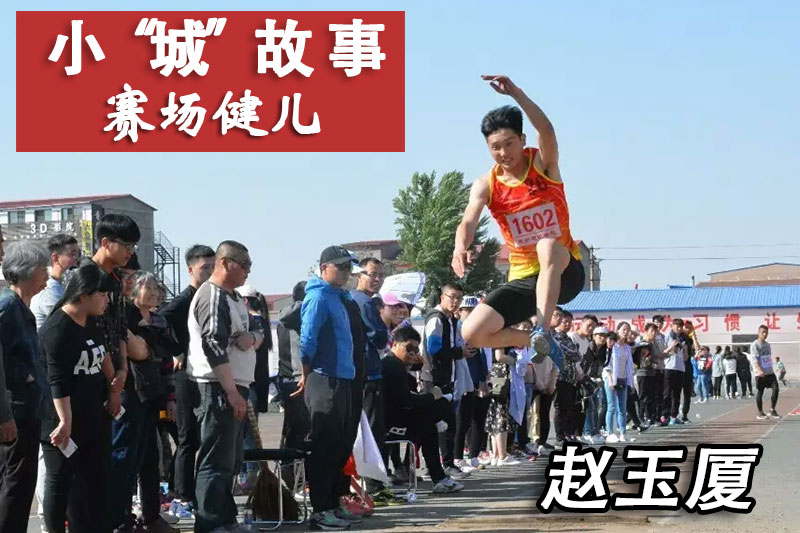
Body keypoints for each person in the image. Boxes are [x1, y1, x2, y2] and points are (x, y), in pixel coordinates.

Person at [453, 75, 585, 365]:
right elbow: (468, 222)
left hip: (565, 272)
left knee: (546, 245)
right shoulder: (486, 184)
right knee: (472, 332)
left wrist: (516, 94)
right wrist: (459, 247)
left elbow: (546, 129)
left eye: (509, 144)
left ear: (523, 140)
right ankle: (541, 341)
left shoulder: (543, 164)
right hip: (525, 278)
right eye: (495, 147)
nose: (503, 153)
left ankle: (541, 327)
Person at [186, 241, 265, 533]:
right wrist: (231, 391)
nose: (248, 270)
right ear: (225, 263)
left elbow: (257, 331)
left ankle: (225, 517)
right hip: (217, 387)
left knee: (231, 460)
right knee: (215, 459)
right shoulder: (212, 294)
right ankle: (209, 523)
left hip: (235, 386)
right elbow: (212, 344)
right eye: (244, 264)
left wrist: (253, 338)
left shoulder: (235, 297)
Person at [38, 262, 120, 533]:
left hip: (93, 417)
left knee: (96, 482)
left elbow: (102, 354)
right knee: (61, 482)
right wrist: (65, 421)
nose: (107, 300)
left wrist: (114, 388)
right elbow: (56, 381)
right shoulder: (57, 330)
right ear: (83, 294)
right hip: (62, 422)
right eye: (102, 295)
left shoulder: (91, 320)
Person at [294, 246, 364, 531]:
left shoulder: (339, 297)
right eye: (340, 267)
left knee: (341, 445)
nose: (346, 272)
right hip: (324, 379)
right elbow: (307, 340)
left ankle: (334, 503)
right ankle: (320, 510)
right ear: (324, 268)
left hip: (343, 380)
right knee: (324, 446)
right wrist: (305, 373)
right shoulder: (318, 296)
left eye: (349, 267)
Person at [157, 244, 215, 519]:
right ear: (190, 269)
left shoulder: (211, 296)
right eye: (204, 268)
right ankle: (181, 495)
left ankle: (194, 493)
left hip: (203, 374)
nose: (210, 272)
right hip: (183, 376)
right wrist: (176, 350)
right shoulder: (184, 300)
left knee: (200, 437)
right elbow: (158, 322)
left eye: (213, 267)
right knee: (187, 437)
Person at [124, 273, 180, 533]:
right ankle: (125, 516)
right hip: (132, 395)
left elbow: (168, 363)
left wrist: (171, 398)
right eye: (149, 288)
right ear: (135, 290)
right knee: (128, 457)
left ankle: (151, 515)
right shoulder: (126, 317)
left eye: (157, 288)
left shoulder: (160, 321)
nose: (155, 292)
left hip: (155, 394)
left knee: (152, 456)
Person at [0, 241, 49, 532]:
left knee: (20, 484)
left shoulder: (20, 307)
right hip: (15, 412)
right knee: (14, 486)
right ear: (28, 271)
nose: (47, 276)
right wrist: (23, 375)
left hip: (28, 410)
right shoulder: (7, 307)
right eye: (43, 269)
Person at [382, 326, 464, 494]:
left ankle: (439, 478)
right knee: (433, 415)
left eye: (416, 350)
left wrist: (418, 366)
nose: (412, 354)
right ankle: (438, 478)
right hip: (388, 425)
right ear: (395, 344)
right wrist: (432, 396)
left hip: (396, 418)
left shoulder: (398, 365)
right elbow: (407, 400)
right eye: (409, 349)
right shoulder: (392, 366)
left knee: (430, 421)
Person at [348, 258, 391, 499]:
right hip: (369, 374)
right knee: (373, 431)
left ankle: (369, 482)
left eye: (380, 275)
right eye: (372, 274)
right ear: (359, 275)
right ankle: (375, 486)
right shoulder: (364, 302)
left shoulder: (353, 299)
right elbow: (380, 337)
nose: (377, 279)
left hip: (358, 373)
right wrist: (384, 324)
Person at [421, 283, 470, 480]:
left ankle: (441, 465)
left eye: (459, 298)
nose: (455, 301)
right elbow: (433, 349)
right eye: (452, 297)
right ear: (442, 297)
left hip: (447, 378)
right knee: (440, 424)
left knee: (446, 423)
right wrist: (459, 352)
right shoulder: (436, 318)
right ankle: (442, 466)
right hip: (434, 379)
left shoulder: (450, 320)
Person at [454, 296, 486, 473]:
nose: (471, 313)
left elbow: (479, 358)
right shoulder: (456, 328)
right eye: (467, 310)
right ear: (459, 311)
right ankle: (456, 457)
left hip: (472, 381)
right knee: (459, 423)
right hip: (458, 380)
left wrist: (481, 379)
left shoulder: (475, 330)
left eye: (474, 310)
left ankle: (471, 455)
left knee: (470, 421)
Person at [551, 309, 583, 445]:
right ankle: (560, 437)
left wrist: (574, 354)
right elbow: (569, 353)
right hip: (560, 377)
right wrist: (574, 353)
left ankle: (568, 435)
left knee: (569, 407)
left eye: (570, 322)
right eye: (565, 321)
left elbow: (577, 355)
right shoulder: (556, 337)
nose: (567, 324)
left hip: (571, 377)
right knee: (560, 407)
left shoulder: (567, 337)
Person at [487, 344, 521, 466]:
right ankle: (502, 455)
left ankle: (496, 454)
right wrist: (518, 361)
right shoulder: (501, 337)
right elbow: (499, 356)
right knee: (501, 415)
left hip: (496, 376)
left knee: (495, 414)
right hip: (501, 377)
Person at [602, 325, 635, 443]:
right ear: (618, 331)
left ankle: (622, 433)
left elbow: (629, 365)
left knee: (622, 408)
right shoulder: (612, 345)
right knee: (611, 406)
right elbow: (607, 364)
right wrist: (611, 380)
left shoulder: (627, 347)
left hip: (623, 378)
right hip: (611, 378)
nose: (626, 332)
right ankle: (610, 432)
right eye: (623, 329)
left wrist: (631, 383)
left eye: (628, 330)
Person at [581, 326, 607, 443]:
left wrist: (599, 377)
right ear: (594, 336)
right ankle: (587, 432)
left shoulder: (604, 350)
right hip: (585, 379)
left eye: (604, 336)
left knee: (596, 406)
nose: (602, 338)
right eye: (599, 335)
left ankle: (595, 431)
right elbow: (585, 364)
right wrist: (586, 378)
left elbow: (602, 365)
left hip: (597, 380)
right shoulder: (589, 347)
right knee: (589, 407)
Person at [750, 326, 780, 420]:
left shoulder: (768, 345)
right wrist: (759, 370)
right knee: (760, 392)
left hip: (769, 372)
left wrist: (770, 368)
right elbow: (754, 359)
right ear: (758, 332)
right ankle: (760, 412)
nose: (765, 334)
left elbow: (768, 357)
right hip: (760, 373)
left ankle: (772, 410)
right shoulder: (755, 345)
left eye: (766, 332)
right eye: (763, 332)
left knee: (776, 389)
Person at [663, 319, 686, 426]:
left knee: (677, 394)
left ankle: (674, 416)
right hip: (669, 367)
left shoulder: (683, 339)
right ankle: (664, 415)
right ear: (672, 326)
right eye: (677, 326)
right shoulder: (667, 337)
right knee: (667, 393)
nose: (679, 328)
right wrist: (672, 346)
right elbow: (663, 352)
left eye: (681, 326)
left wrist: (685, 349)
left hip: (680, 368)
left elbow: (685, 357)